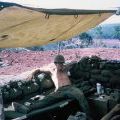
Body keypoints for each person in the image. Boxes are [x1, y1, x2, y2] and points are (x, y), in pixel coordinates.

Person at [12, 55, 90, 117]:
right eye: (59, 63)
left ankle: (89, 116)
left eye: (62, 63)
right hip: (59, 91)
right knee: (45, 101)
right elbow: (39, 69)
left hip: (70, 88)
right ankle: (27, 109)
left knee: (80, 95)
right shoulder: (51, 70)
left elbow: (74, 62)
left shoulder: (65, 68)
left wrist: (68, 64)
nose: (61, 65)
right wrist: (32, 73)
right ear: (55, 63)